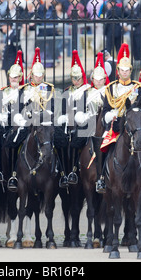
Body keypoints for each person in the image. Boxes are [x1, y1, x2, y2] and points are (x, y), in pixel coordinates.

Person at [99, 43, 141, 192]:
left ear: (130, 71)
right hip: (116, 125)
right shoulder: (111, 88)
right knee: (101, 144)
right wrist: (110, 115)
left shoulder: (138, 87)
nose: (125, 73)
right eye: (122, 70)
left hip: (134, 125)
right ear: (118, 70)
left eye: (127, 70)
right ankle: (101, 178)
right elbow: (106, 109)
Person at [74, 52, 110, 193]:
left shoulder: (109, 92)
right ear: (92, 79)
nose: (99, 81)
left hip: (105, 125)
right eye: (96, 79)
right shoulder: (86, 93)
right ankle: (75, 170)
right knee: (75, 141)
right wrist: (83, 117)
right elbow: (80, 110)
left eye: (101, 79)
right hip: (88, 125)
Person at [0, 50, 25, 191]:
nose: (14, 79)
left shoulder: (25, 92)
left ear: (20, 77)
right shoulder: (2, 92)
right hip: (5, 125)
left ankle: (17, 173)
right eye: (12, 77)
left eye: (16, 77)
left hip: (20, 125)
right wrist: (1, 117)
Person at [57, 50, 89, 187]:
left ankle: (75, 170)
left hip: (83, 123)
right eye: (74, 78)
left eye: (79, 78)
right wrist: (63, 117)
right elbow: (63, 110)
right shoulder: (66, 92)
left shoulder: (88, 91)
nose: (76, 81)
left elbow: (90, 109)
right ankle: (64, 172)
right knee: (59, 139)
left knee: (79, 139)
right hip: (69, 124)